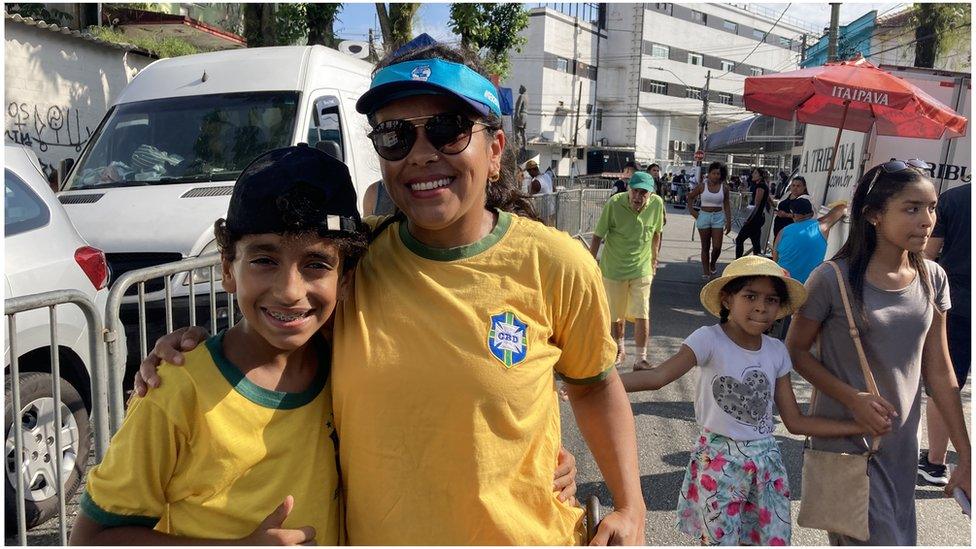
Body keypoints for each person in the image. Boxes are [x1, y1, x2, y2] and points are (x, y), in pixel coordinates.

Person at [134, 38, 644, 545]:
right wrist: (189, 348)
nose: (420, 155)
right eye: (395, 135)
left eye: (447, 130)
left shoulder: (555, 264)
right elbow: (279, 321)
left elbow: (594, 385)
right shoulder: (355, 262)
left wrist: (631, 504)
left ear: (494, 149)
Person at [70, 145, 368, 545]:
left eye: (316, 264)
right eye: (265, 260)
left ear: (345, 279)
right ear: (228, 268)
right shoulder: (174, 389)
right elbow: (91, 539)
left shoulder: (346, 366)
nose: (289, 291)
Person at [619, 256, 867, 545]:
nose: (761, 306)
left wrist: (856, 427)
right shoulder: (708, 339)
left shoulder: (776, 351)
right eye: (750, 296)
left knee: (766, 540)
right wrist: (597, 383)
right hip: (718, 463)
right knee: (719, 541)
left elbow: (796, 422)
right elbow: (658, 376)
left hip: (766, 467)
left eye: (771, 300)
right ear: (727, 299)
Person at [785, 160, 971, 545]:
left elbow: (939, 371)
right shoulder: (831, 278)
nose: (927, 220)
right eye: (911, 208)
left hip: (901, 446)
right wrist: (852, 398)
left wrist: (965, 454)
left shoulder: (933, 277)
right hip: (849, 444)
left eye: (932, 207)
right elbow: (797, 352)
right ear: (872, 215)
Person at [919, 183, 971, 486]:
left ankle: (936, 463)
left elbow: (928, 254)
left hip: (957, 301)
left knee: (945, 381)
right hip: (959, 301)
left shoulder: (955, 198)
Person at [589, 172, 665, 371]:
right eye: (635, 191)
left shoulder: (657, 204)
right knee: (616, 315)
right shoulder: (614, 204)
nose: (638, 197)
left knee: (642, 312)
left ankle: (641, 359)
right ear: (628, 189)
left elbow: (657, 233)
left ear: (650, 194)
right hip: (614, 269)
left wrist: (655, 259)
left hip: (642, 268)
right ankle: (620, 349)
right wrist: (589, 263)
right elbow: (598, 236)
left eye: (643, 193)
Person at [772, 198, 847, 284]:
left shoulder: (782, 232)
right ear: (811, 213)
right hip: (809, 286)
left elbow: (775, 261)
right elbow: (841, 208)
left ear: (793, 214)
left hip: (783, 283)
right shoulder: (822, 226)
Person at [686, 161, 732, 280]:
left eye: (718, 173)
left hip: (718, 217)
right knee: (705, 246)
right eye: (714, 173)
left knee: (717, 247)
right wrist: (692, 211)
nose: (716, 176)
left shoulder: (724, 188)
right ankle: (706, 271)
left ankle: (712, 264)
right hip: (704, 216)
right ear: (709, 174)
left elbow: (726, 205)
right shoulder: (702, 186)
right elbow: (690, 197)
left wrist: (729, 221)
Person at [735, 167, 771, 258]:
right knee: (755, 242)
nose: (752, 175)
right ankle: (757, 262)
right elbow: (768, 199)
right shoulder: (761, 185)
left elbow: (756, 204)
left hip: (755, 217)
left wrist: (749, 218)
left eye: (755, 173)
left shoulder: (760, 186)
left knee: (740, 239)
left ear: (760, 175)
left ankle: (738, 261)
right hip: (758, 217)